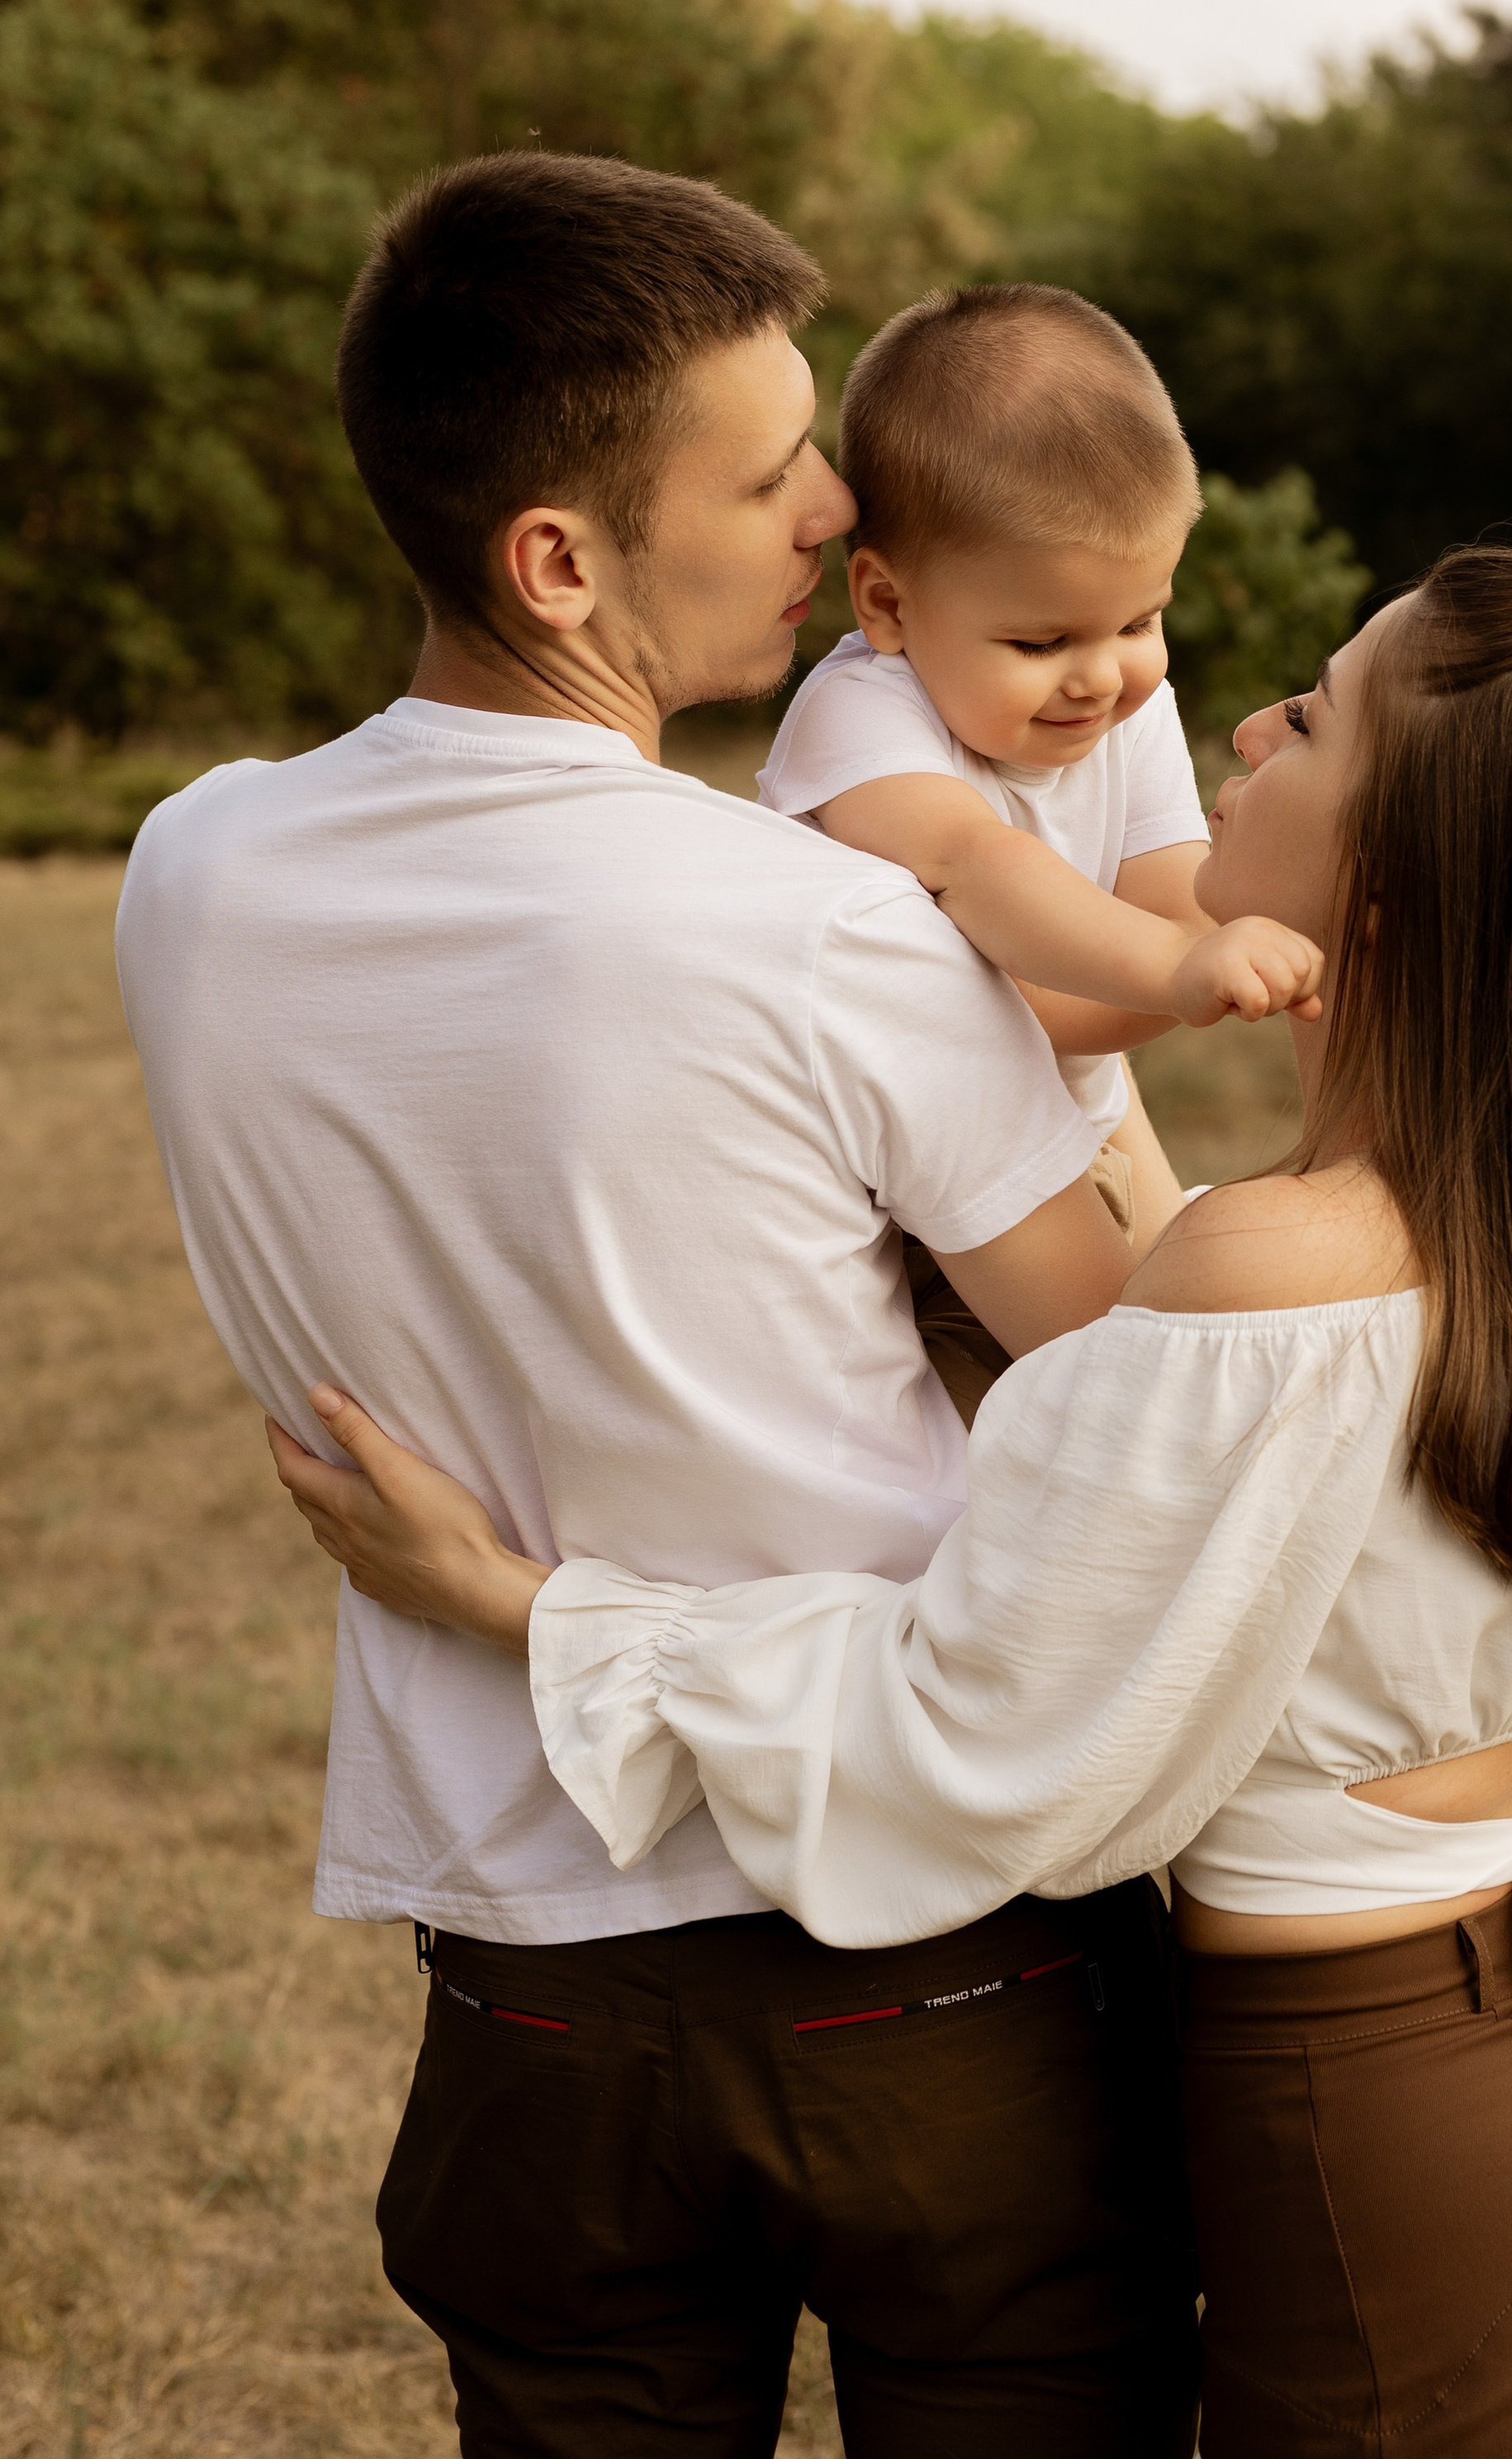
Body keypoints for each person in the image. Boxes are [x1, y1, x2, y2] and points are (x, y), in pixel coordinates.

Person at [278, 548, 1512, 2459]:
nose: (1232, 725)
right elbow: (1138, 1247)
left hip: (1415, 2247)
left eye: (1309, 716)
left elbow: (958, 1734)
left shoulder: (1274, 1276)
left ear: (1389, 884)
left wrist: (520, 1605)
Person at [115, 150, 1212, 2459]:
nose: (832, 509)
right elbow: (1140, 1367)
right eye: (771, 470)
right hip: (929, 1955)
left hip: (524, 2001)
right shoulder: (821, 931)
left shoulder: (193, 876)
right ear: (559, 559)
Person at [755, 279, 1323, 1401]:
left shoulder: (1116, 702)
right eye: (1039, 638)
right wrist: (1179, 968)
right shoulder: (862, 722)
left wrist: (1239, 942)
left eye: (1141, 621)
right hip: (903, 1201)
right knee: (1063, 1437)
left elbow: (1168, 901)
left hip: (1074, 1119)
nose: (1104, 675)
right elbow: (988, 877)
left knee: (1205, 1360)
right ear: (887, 606)